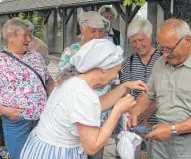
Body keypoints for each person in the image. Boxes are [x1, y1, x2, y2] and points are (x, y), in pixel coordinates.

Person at [20, 39, 148, 159]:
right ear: (104, 69)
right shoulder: (82, 94)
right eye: (116, 71)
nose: (115, 77)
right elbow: (92, 147)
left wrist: (125, 86)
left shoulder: (74, 81)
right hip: (57, 153)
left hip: (44, 147)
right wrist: (117, 111)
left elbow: (97, 105)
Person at [128, 18, 191, 159]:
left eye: (169, 48)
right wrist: (133, 113)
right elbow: (148, 96)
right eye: (162, 48)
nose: (165, 54)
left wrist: (173, 129)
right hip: (160, 142)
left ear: (187, 40)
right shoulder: (160, 63)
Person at [58, 11, 119, 159]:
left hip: (100, 116)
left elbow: (115, 82)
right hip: (76, 118)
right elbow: (61, 82)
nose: (97, 35)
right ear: (82, 29)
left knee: (96, 153)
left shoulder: (108, 52)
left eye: (101, 31)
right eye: (93, 31)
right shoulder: (71, 52)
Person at [0, 17, 54, 159]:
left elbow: (48, 80)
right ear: (11, 36)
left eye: (30, 34)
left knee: (41, 155)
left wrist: (52, 100)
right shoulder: (1, 61)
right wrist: (4, 110)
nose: (29, 39)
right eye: (25, 35)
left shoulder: (36, 57)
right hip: (16, 122)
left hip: (41, 120)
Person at [120, 19, 162, 158]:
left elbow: (168, 92)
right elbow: (126, 92)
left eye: (141, 40)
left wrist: (146, 112)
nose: (138, 45)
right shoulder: (128, 62)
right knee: (140, 154)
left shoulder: (163, 60)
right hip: (136, 120)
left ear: (150, 37)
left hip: (161, 120)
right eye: (134, 41)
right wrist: (134, 113)